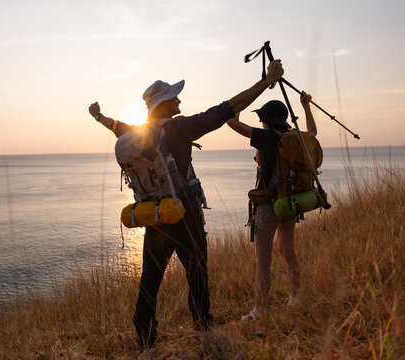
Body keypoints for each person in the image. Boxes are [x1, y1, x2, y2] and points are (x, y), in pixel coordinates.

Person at [88, 59, 284, 348]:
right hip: (185, 213)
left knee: (150, 279)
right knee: (196, 272)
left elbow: (118, 128)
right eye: (175, 96)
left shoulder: (140, 134)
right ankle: (204, 329)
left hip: (155, 215)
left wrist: (99, 117)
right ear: (166, 103)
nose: (179, 99)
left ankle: (145, 338)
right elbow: (225, 109)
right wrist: (266, 82)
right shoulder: (180, 128)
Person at [226, 92, 317, 321]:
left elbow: (231, 122)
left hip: (267, 207)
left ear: (268, 120)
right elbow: (313, 133)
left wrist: (240, 103)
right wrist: (305, 106)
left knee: (263, 261)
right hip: (288, 203)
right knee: (289, 254)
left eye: (262, 118)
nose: (260, 122)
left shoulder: (266, 137)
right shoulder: (293, 137)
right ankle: (296, 299)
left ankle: (260, 310)